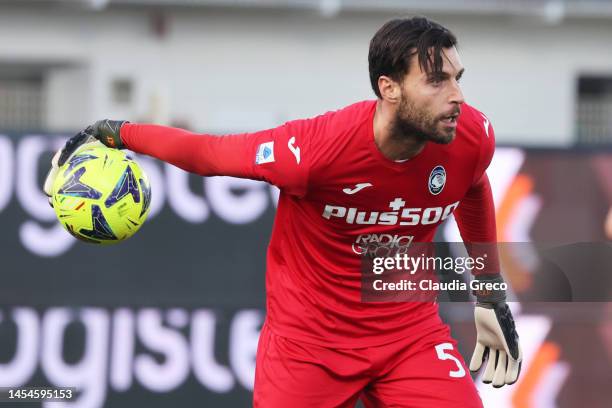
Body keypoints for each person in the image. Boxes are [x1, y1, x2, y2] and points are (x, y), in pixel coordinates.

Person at [44, 16, 521, 408]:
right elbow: (209, 154)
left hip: (409, 337)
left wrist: (490, 295)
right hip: (308, 348)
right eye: (437, 81)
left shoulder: (470, 136)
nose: (456, 95)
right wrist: (115, 131)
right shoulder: (316, 151)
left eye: (458, 78)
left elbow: (473, 187)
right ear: (389, 88)